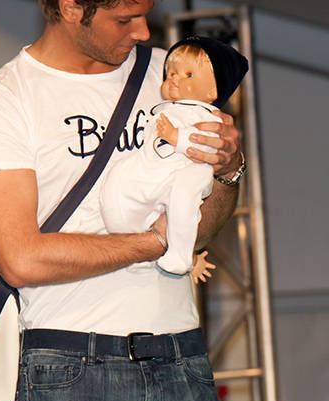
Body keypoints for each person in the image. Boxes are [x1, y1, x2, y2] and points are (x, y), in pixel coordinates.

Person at [0, 0, 246, 401]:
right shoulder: (6, 99)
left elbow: (200, 229)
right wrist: (154, 243)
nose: (143, 32)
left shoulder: (171, 76)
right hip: (70, 367)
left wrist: (228, 171)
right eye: (124, 18)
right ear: (71, 8)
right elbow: (20, 258)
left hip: (181, 356)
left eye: (145, 15)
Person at [100, 36, 248, 275]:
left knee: (184, 200)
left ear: (213, 90)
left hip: (187, 171)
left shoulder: (206, 115)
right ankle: (127, 236)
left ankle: (180, 256)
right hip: (154, 168)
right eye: (171, 74)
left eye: (188, 75)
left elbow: (206, 143)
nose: (175, 79)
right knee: (118, 183)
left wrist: (177, 136)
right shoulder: (166, 108)